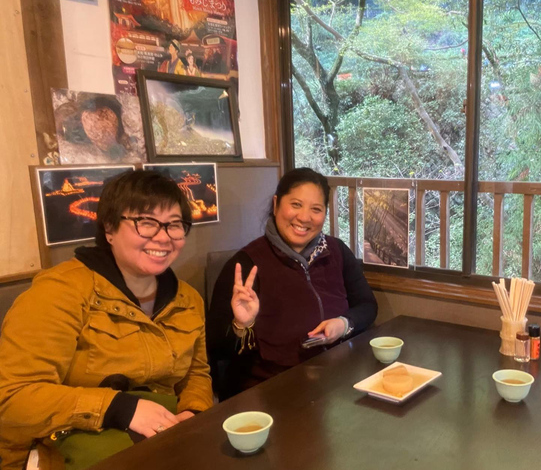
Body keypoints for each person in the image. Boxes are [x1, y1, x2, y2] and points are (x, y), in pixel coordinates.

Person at [0, 170, 213, 470]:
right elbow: (13, 398)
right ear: (109, 229)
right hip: (69, 448)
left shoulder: (187, 299)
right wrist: (117, 408)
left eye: (174, 225)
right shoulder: (59, 292)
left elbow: (196, 374)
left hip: (163, 442)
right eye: (147, 222)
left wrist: (192, 415)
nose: (163, 237)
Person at [207, 168, 377, 399]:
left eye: (316, 209)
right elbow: (216, 348)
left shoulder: (336, 251)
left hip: (336, 381)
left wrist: (343, 323)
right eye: (296, 204)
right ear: (276, 204)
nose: (305, 218)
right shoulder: (246, 264)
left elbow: (367, 305)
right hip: (271, 391)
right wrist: (241, 325)